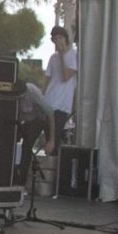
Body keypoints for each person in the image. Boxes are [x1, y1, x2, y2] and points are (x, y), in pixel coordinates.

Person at [42, 23, 76, 151]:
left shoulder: (74, 55)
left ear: (65, 38)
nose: (58, 41)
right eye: (55, 39)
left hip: (62, 104)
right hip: (49, 100)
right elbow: (47, 79)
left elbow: (66, 76)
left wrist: (62, 55)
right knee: (48, 137)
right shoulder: (53, 58)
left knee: (55, 139)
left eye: (60, 38)